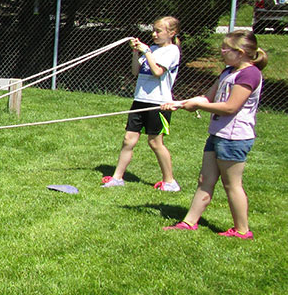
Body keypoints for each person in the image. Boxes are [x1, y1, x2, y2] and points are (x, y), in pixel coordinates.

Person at [161, 29, 266, 239]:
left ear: (242, 51)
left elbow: (230, 107)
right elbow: (207, 98)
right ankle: (189, 222)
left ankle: (242, 230)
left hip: (234, 137)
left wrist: (196, 105)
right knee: (205, 179)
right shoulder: (228, 72)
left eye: (226, 48)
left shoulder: (250, 74)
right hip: (218, 134)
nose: (222, 50)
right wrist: (181, 104)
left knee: (232, 184)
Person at [102, 16, 181, 190]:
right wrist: (136, 53)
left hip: (158, 103)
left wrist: (147, 52)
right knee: (128, 139)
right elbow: (135, 71)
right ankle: (117, 178)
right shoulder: (152, 48)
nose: (154, 34)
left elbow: (158, 72)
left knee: (155, 142)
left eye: (158, 31)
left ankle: (170, 182)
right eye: (153, 29)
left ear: (171, 33)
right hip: (140, 100)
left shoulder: (172, 51)